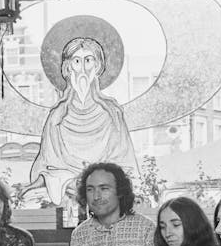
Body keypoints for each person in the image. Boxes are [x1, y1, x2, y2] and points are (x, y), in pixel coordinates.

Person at [18, 37, 138, 207]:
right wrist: (67, 183)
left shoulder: (112, 113)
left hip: (105, 188)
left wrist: (97, 184)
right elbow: (47, 165)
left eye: (88, 60)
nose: (82, 68)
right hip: (65, 186)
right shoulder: (57, 116)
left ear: (97, 66)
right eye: (76, 61)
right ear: (68, 67)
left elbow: (124, 163)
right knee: (31, 198)